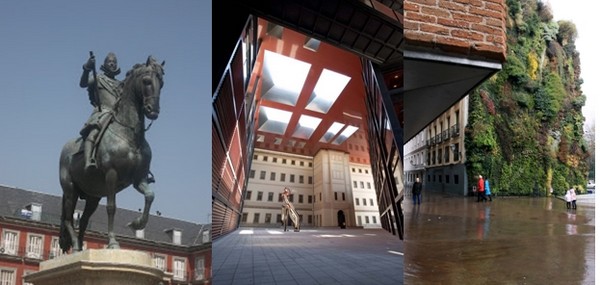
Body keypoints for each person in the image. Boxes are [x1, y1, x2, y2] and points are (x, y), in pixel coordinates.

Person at [79, 52, 122, 171]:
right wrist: (87, 67)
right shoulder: (98, 78)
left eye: (114, 62)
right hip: (103, 112)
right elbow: (83, 84)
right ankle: (88, 161)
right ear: (104, 64)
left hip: (118, 116)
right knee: (94, 133)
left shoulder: (120, 84)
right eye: (110, 62)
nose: (112, 64)